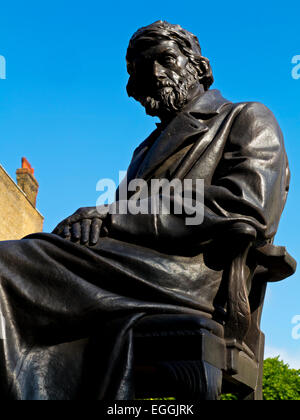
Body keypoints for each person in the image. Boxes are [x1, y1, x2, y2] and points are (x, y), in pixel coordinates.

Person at [0, 21, 290, 400]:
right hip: (127, 266)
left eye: (166, 59)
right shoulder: (145, 149)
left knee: (7, 264)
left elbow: (247, 205)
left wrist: (111, 216)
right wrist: (91, 222)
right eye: (142, 69)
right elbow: (127, 213)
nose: (155, 74)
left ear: (199, 68)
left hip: (192, 273)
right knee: (20, 261)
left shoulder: (247, 117)